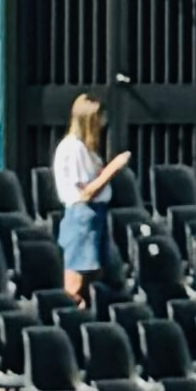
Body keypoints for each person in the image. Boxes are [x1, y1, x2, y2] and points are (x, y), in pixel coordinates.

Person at [49, 91, 130, 307]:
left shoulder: (85, 149)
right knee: (76, 280)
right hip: (82, 217)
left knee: (97, 275)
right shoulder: (73, 148)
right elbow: (86, 192)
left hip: (96, 216)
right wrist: (113, 168)